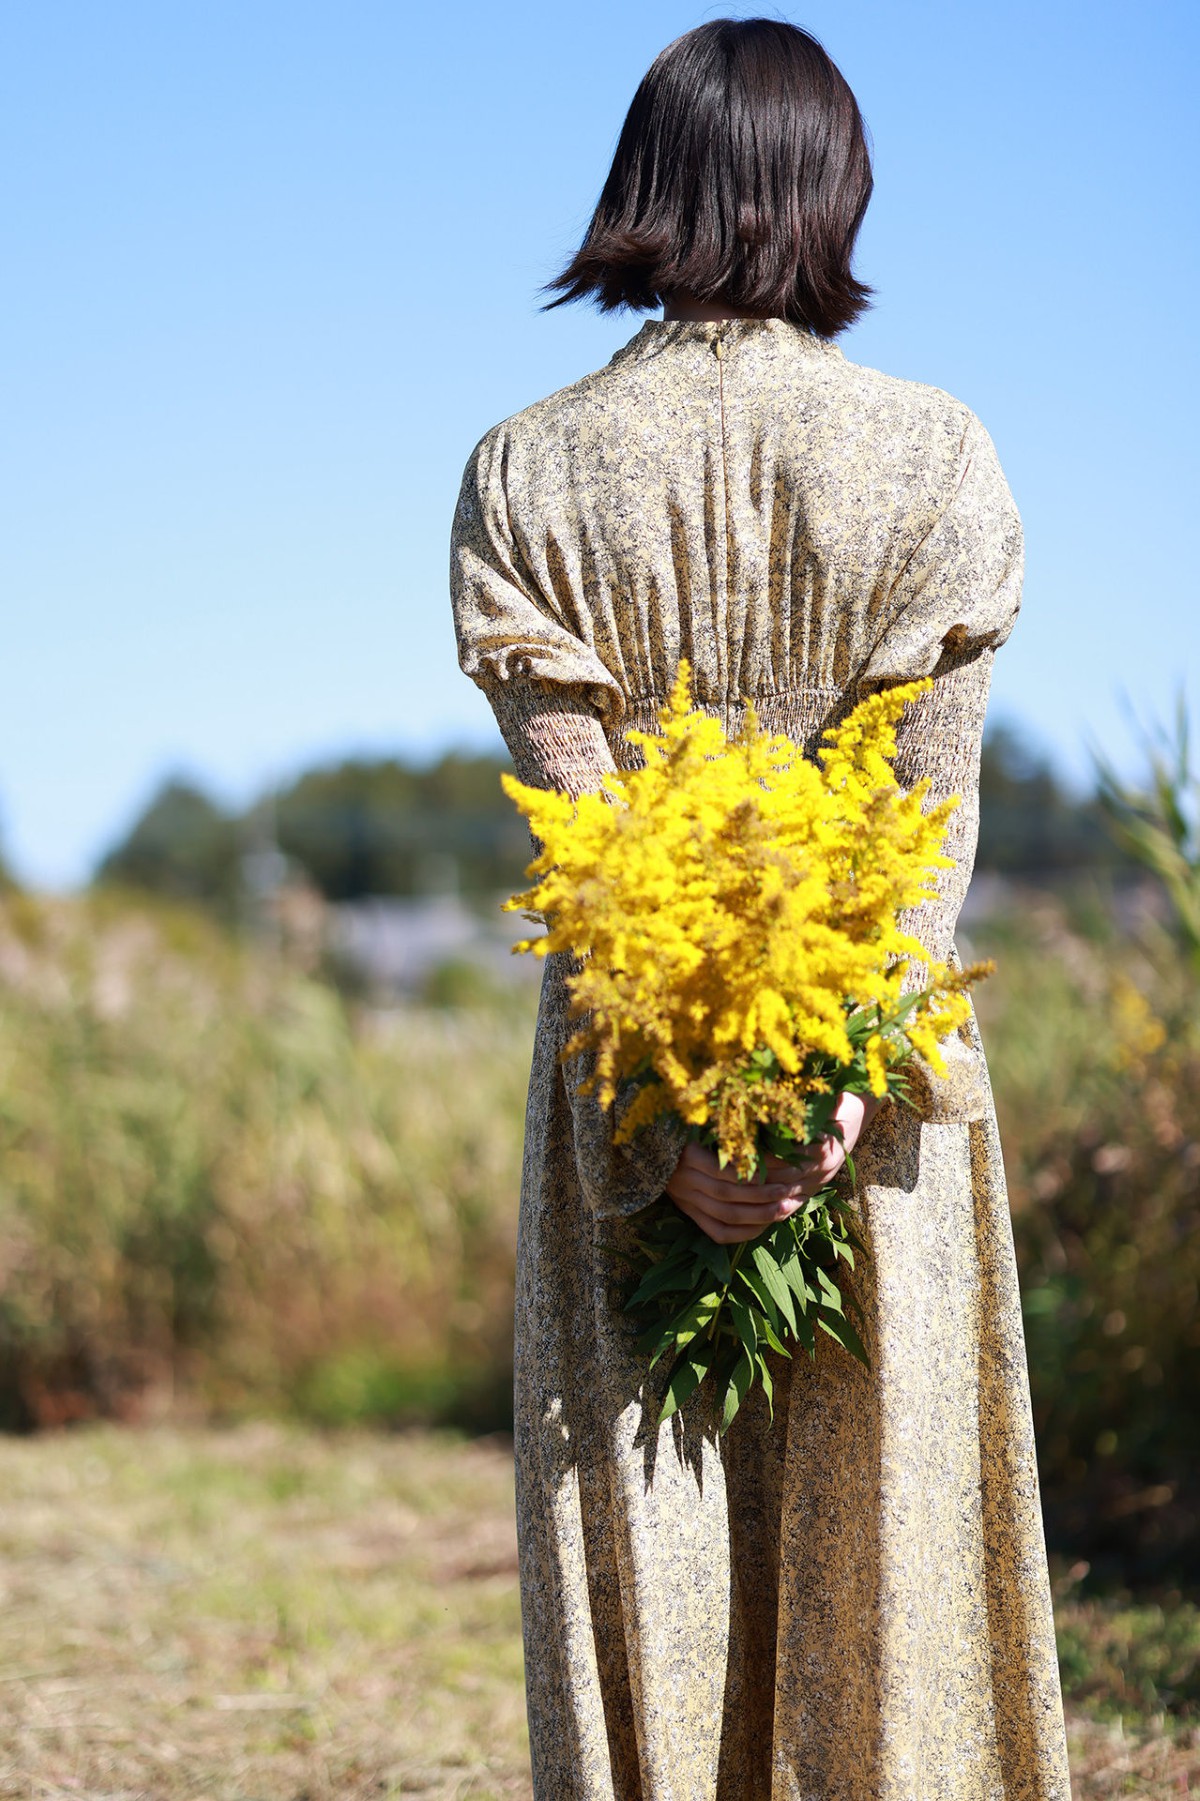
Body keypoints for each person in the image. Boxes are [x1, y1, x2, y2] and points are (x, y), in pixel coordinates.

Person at [449, 19, 1071, 1799]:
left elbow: (588, 846)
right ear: (833, 190)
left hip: (627, 1108)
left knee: (646, 1568)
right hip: (876, 1101)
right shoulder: (938, 457)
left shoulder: (524, 474)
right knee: (894, 1598)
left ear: (643, 185)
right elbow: (919, 828)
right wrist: (825, 1101)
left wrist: (683, 1122)